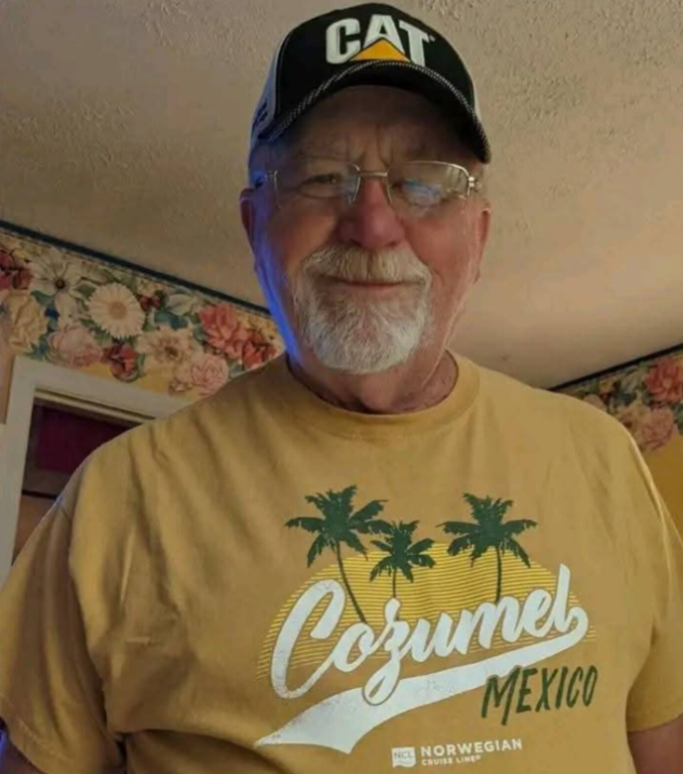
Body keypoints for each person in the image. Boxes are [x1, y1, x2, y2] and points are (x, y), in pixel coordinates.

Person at [1, 3, 682, 772]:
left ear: (479, 234)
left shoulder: (606, 461)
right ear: (255, 225)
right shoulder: (116, 502)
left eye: (424, 182)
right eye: (322, 177)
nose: (374, 224)